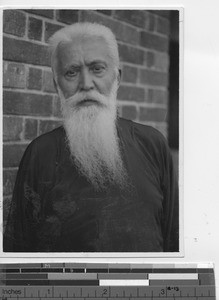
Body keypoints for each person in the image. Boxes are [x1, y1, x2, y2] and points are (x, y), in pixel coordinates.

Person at [3, 22, 179, 252]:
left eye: (97, 69)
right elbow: (19, 250)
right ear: (57, 84)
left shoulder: (153, 143)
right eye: (71, 72)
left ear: (117, 77)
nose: (86, 85)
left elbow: (173, 237)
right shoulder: (40, 153)